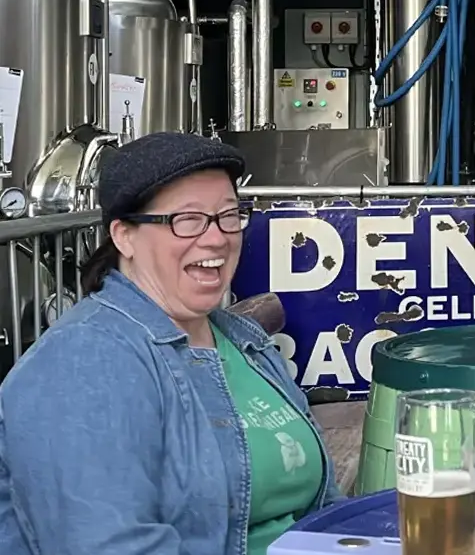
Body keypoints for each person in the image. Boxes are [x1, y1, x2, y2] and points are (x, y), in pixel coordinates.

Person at [0, 132, 342, 555]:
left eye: (228, 215)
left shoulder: (242, 339)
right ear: (124, 236)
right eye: (187, 219)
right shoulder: (80, 364)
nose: (216, 238)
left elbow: (325, 512)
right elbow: (105, 545)